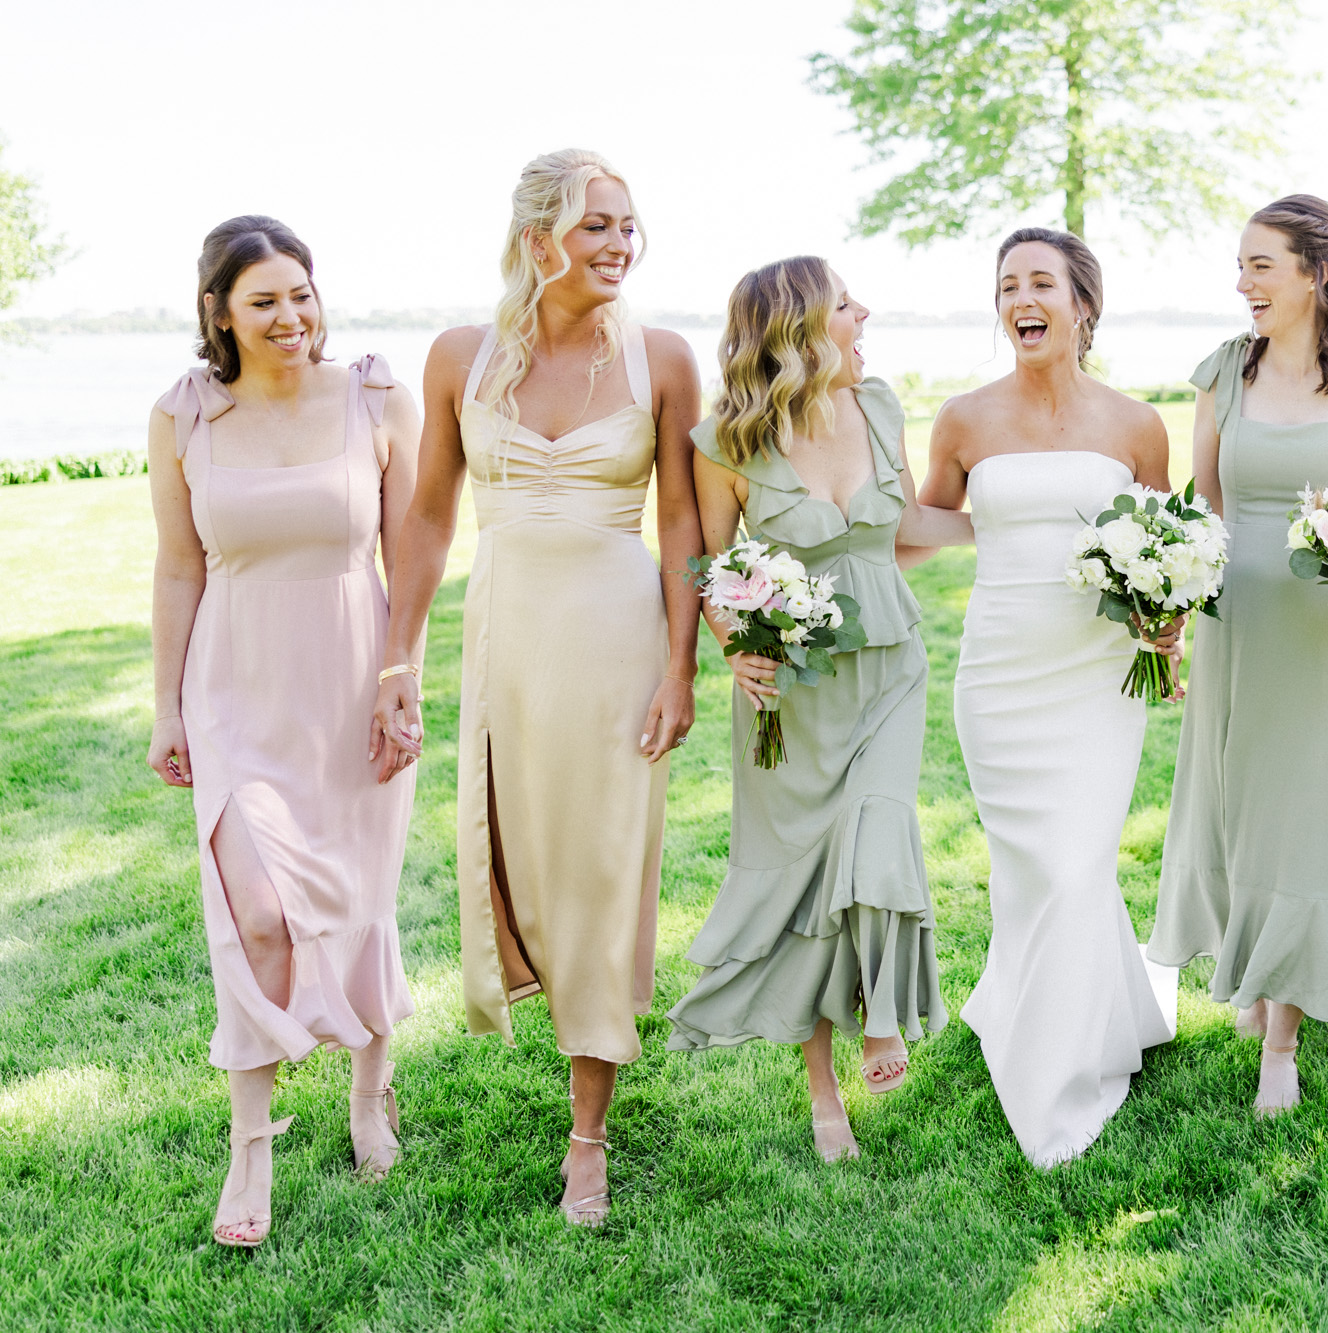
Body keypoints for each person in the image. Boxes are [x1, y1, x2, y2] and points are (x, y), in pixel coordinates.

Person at [373, 150, 703, 1223]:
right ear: (536, 239)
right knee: (521, 851)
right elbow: (425, 516)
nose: (619, 245)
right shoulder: (459, 358)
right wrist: (397, 656)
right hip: (508, 636)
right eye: (597, 225)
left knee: (607, 869)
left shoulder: (661, 357)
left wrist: (682, 665)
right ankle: (546, 1016)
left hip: (619, 641)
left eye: (628, 225)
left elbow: (685, 526)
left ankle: (588, 1135)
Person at [147, 216, 421, 1247]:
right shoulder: (182, 418)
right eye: (263, 300)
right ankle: (250, 1147)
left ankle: (369, 1088)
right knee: (255, 912)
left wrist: (403, 679)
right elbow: (179, 566)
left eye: (300, 293)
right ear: (218, 311)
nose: (290, 317)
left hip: (352, 681)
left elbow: (412, 559)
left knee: (359, 897)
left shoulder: (373, 397)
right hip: (235, 689)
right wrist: (166, 704)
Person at [668, 257, 969, 1163]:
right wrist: (734, 646)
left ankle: (882, 1013)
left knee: (879, 831)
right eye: (847, 304)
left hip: (891, 665)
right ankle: (821, 1089)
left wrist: (1022, 517)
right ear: (799, 328)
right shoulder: (725, 441)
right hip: (790, 689)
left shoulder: (878, 406)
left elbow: (905, 527)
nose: (864, 312)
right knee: (805, 878)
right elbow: (709, 568)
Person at [1149, 194, 1328, 1113]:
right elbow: (1211, 506)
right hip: (1242, 636)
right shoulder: (1225, 371)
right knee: (1252, 818)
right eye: (1240, 266)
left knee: (1320, 818)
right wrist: (1177, 600)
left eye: (1260, 265)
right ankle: (1265, 974)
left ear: (1315, 271)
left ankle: (1283, 1041)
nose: (1243, 283)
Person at [917, 227, 1180, 1167]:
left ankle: (1062, 1078)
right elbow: (920, 525)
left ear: (1081, 306)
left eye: (1040, 283)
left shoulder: (1136, 425)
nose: (1020, 299)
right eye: (1006, 286)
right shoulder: (962, 419)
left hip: (1098, 675)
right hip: (999, 673)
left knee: (1076, 863)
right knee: (1034, 870)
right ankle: (1066, 1015)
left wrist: (1169, 624)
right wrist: (829, 513)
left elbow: (1172, 551)